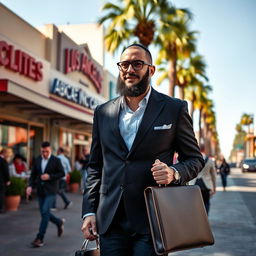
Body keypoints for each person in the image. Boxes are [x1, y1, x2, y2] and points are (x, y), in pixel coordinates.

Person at [81, 44, 204, 256]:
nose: (130, 69)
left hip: (154, 218)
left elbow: (194, 159)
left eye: (137, 64)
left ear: (151, 70)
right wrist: (89, 211)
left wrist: (174, 173)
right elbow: (95, 166)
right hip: (111, 220)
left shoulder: (174, 108)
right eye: (124, 64)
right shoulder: (103, 112)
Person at [26, 141, 65, 248]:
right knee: (45, 213)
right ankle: (58, 222)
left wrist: (50, 176)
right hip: (40, 190)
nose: (44, 154)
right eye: (43, 151)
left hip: (51, 191)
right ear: (40, 150)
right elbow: (33, 174)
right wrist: (30, 186)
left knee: (44, 211)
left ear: (50, 150)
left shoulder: (56, 160)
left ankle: (39, 238)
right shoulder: (37, 159)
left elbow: (62, 173)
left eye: (47, 151)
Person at [190, 146, 216, 215]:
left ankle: (198, 218)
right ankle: (205, 217)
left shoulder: (193, 159)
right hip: (206, 185)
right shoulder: (209, 160)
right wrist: (214, 187)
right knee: (206, 202)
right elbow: (214, 175)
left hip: (194, 184)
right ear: (204, 150)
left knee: (195, 203)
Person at [0, 148, 10, 213]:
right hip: (1, 180)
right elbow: (6, 172)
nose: (8, 155)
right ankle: (1, 208)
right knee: (1, 194)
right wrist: (8, 180)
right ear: (4, 153)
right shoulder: (3, 161)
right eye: (7, 153)